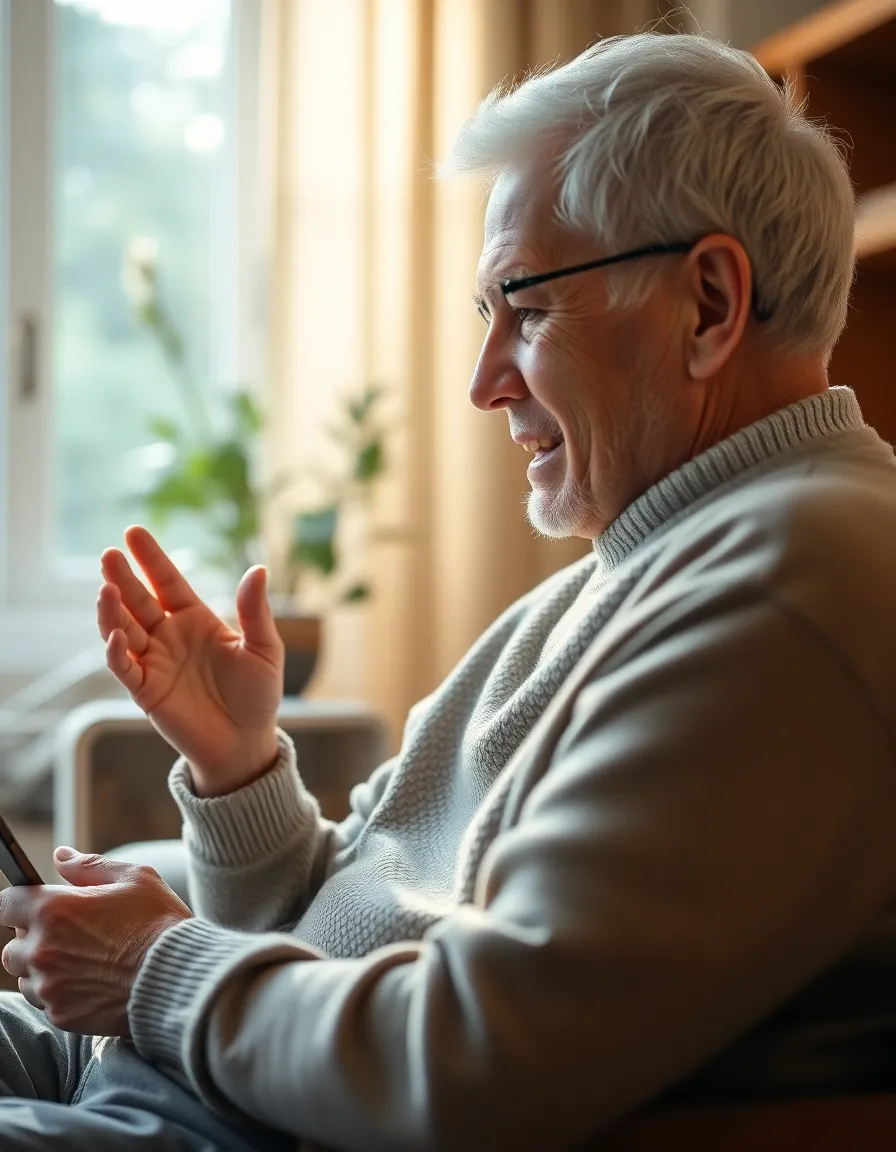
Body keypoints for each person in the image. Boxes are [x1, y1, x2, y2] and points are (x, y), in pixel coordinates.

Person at [2, 29, 896, 1152]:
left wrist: (146, 967)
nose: (484, 384)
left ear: (708, 303)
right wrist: (238, 772)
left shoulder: (797, 591)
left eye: (525, 306)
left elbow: (470, 1063)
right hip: (182, 1081)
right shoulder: (631, 570)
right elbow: (352, 920)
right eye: (487, 316)